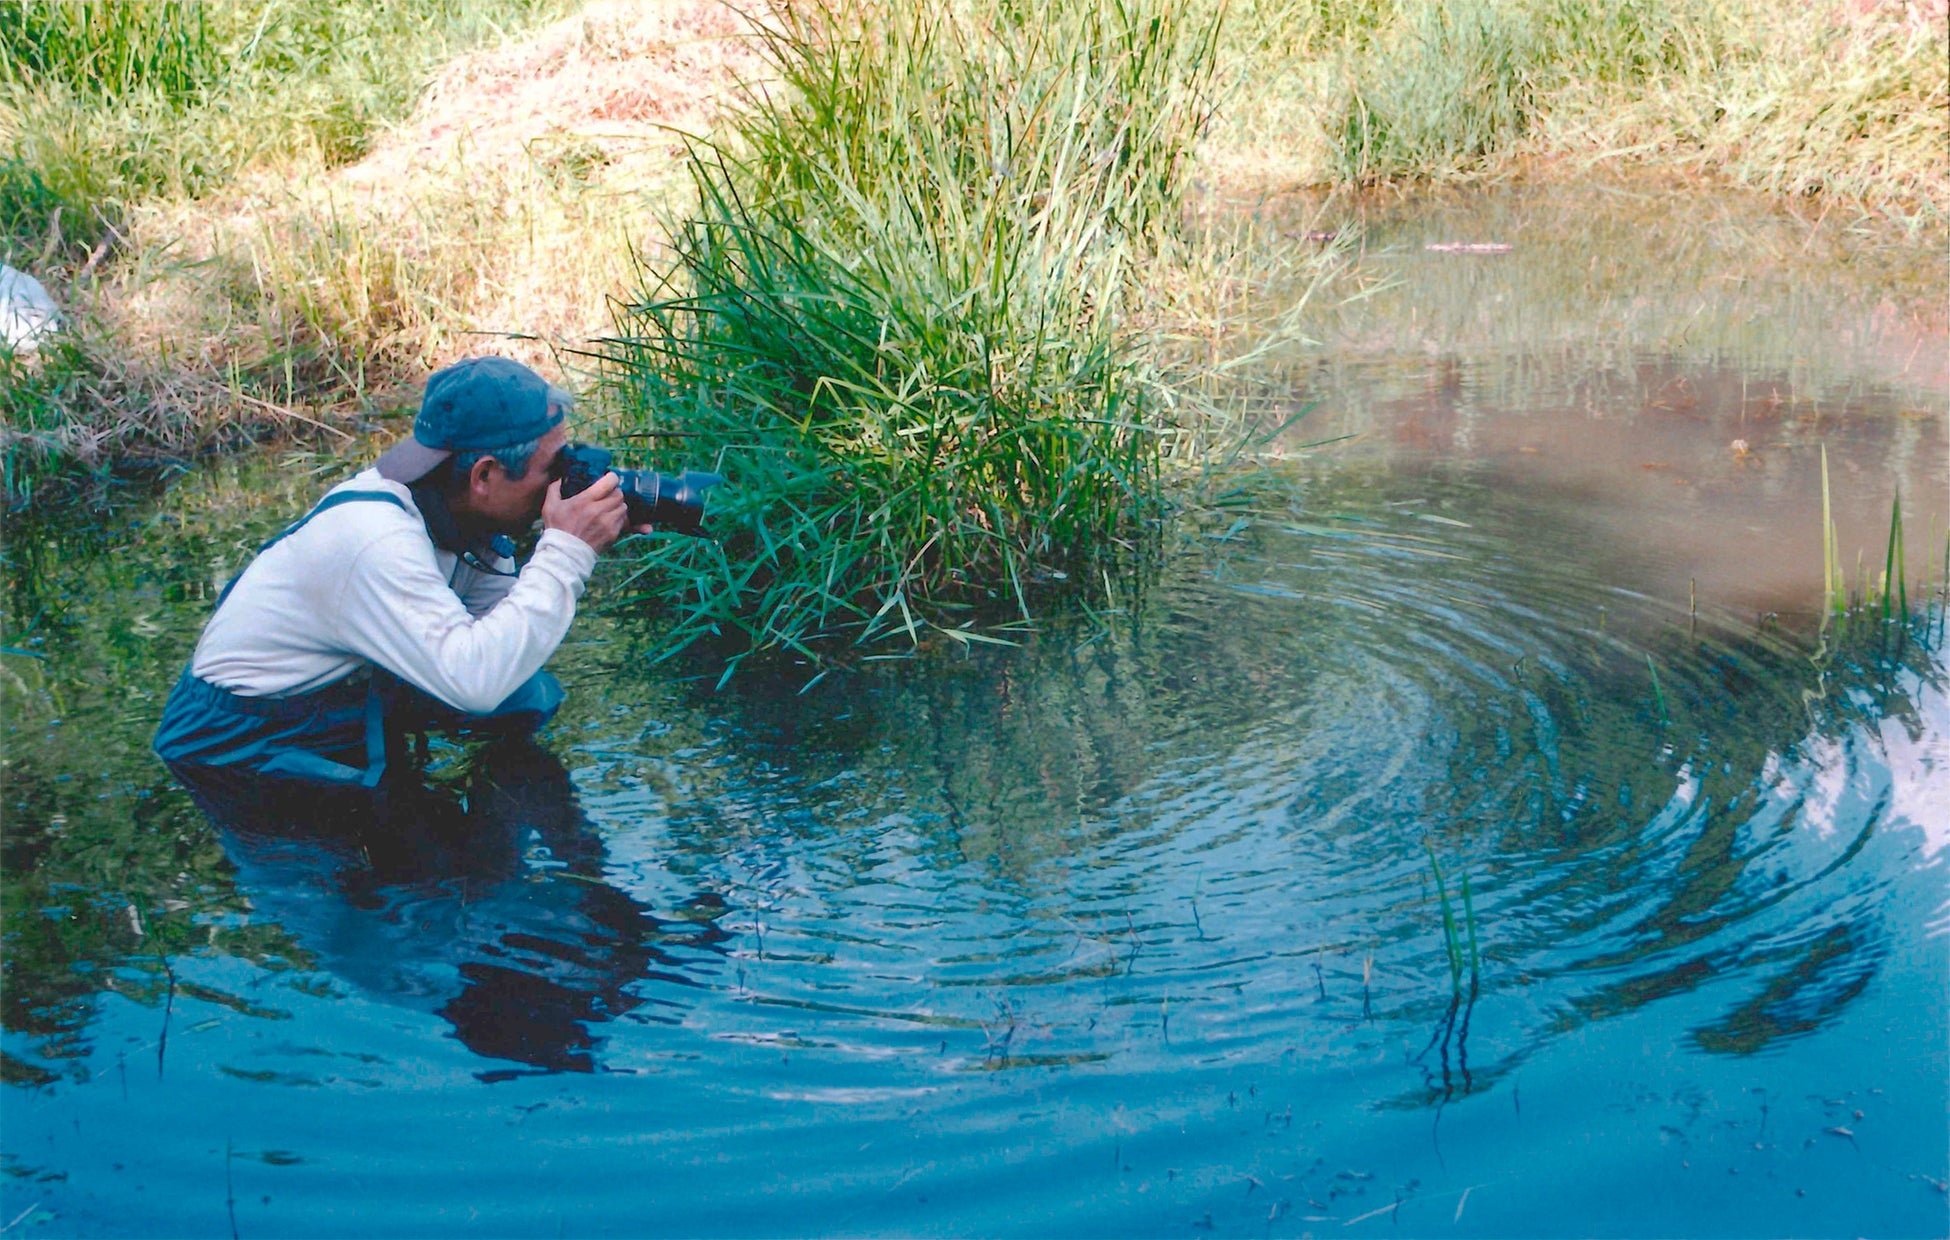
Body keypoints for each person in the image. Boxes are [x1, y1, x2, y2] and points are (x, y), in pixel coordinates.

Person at [153, 356, 640, 787]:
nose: (562, 480)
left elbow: (504, 646)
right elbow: (477, 681)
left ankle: (494, 821)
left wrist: (585, 533)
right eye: (552, 468)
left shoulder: (453, 507)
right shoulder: (376, 540)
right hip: (234, 740)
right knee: (367, 873)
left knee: (526, 696)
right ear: (485, 476)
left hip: (334, 700)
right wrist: (567, 550)